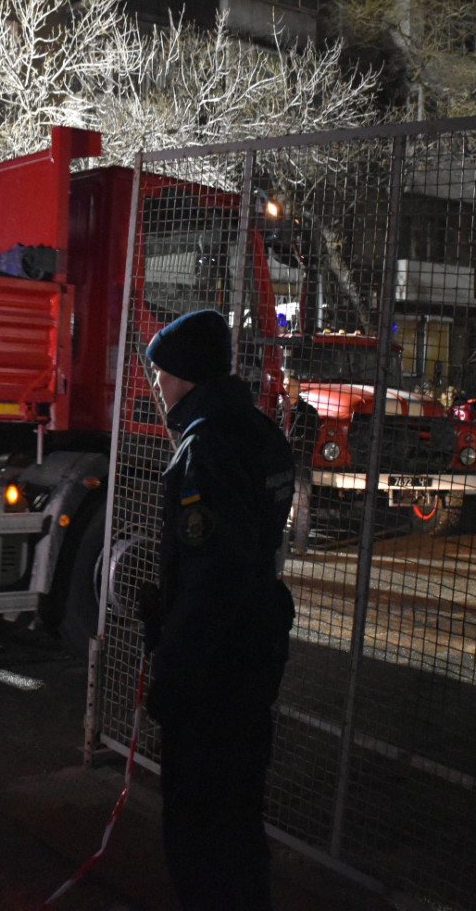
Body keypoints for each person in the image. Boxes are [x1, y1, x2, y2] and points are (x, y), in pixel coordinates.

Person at [138, 309, 296, 911]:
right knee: (239, 812)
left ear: (188, 375)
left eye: (163, 372)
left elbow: (213, 577)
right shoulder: (262, 433)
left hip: (215, 667)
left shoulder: (204, 447)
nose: (158, 384)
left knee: (197, 824)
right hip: (257, 649)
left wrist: (173, 672)